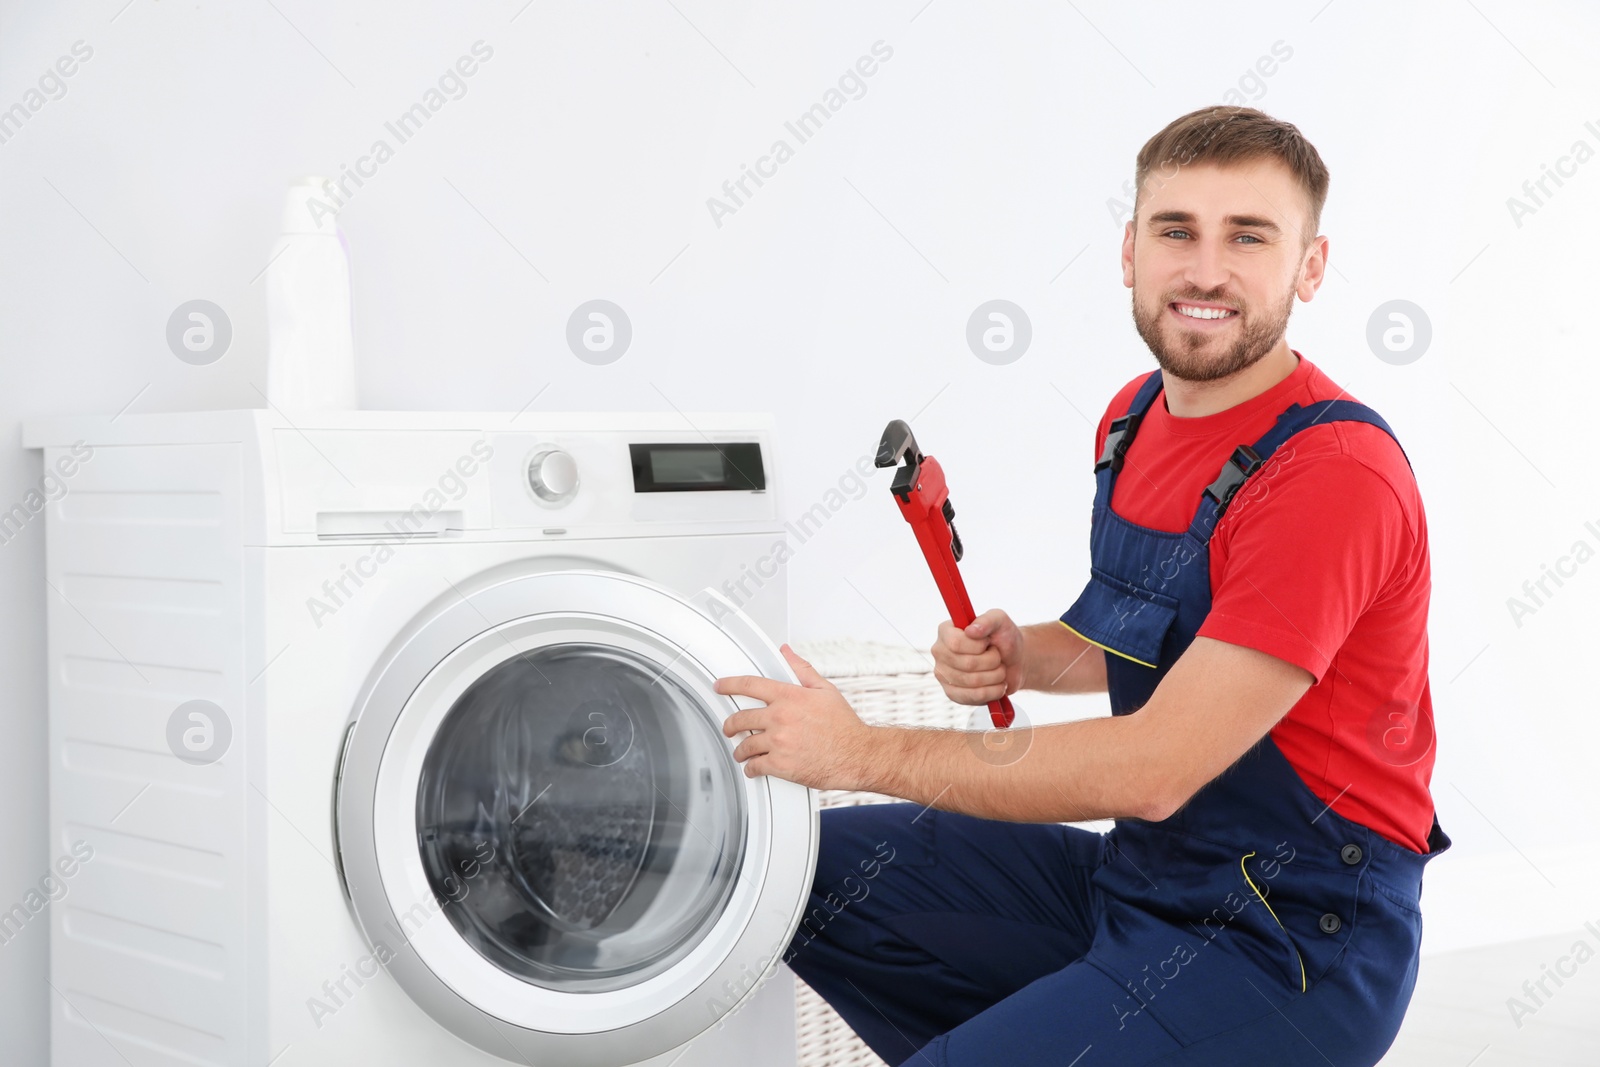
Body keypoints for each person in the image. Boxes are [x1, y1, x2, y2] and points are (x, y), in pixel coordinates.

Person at [714, 105, 1450, 1066]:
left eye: (1250, 237)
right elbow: (1146, 636)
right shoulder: (1133, 418)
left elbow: (1154, 767)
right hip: (1140, 880)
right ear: (1130, 251)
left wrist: (861, 755)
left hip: (1292, 939)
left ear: (1310, 267)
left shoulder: (1331, 475)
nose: (1205, 270)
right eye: (1175, 230)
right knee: (786, 876)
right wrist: (1030, 651)